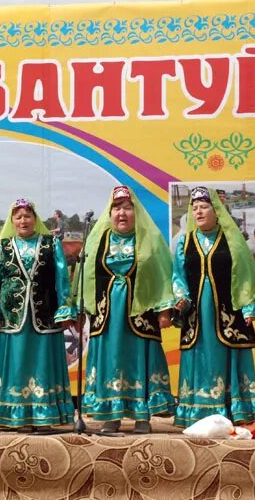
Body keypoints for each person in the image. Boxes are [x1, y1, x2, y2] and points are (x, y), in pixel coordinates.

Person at [82, 185, 175, 433]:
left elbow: (163, 276)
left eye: (127, 208)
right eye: (116, 208)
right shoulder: (98, 240)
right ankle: (111, 415)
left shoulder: (150, 241)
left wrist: (164, 310)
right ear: (109, 213)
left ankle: (142, 416)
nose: (121, 213)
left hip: (140, 313)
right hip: (108, 315)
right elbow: (86, 278)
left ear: (136, 212)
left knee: (138, 359)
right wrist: (82, 308)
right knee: (111, 359)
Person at [171, 186, 255, 427]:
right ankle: (197, 410)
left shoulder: (232, 239)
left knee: (228, 355)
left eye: (204, 207)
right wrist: (181, 298)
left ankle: (234, 409)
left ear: (217, 211)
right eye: (195, 209)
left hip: (227, 312)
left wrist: (248, 307)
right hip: (197, 314)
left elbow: (244, 275)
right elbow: (178, 276)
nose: (199, 212)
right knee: (200, 354)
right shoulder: (185, 240)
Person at [0, 198, 75, 430]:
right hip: (12, 314)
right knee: (17, 361)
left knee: (42, 361)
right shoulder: (4, 246)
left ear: (35, 219)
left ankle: (44, 416)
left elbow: (61, 277)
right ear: (12, 221)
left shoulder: (51, 244)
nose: (23, 221)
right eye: (18, 217)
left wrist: (64, 308)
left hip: (45, 311)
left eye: (27, 216)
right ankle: (14, 415)